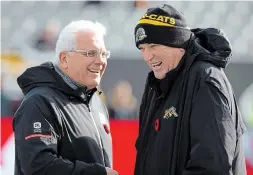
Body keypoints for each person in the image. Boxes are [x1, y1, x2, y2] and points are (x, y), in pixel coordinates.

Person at [134, 4, 247, 175]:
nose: (147, 56)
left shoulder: (206, 80)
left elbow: (212, 166)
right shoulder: (155, 84)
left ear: (177, 43)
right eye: (142, 48)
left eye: (153, 46)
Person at [13, 20, 118, 175]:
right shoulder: (39, 102)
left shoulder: (96, 102)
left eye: (104, 54)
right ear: (63, 58)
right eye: (90, 53)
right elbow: (38, 166)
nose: (100, 61)